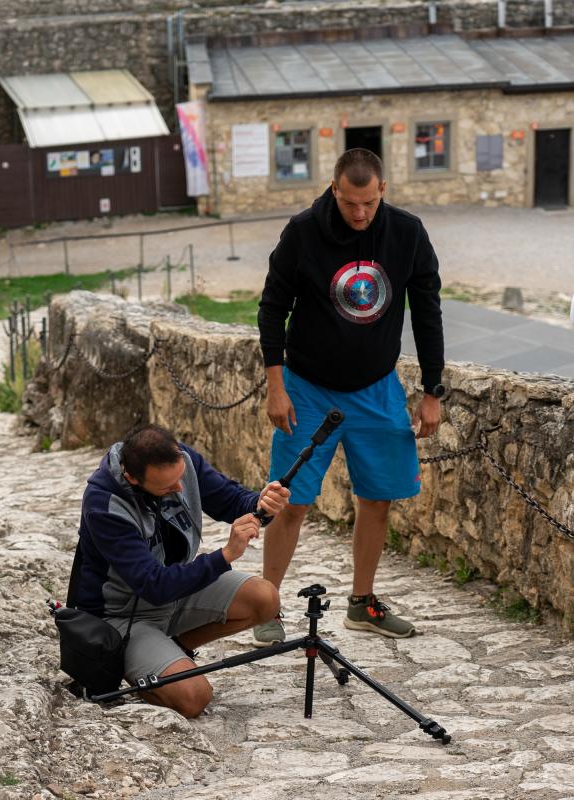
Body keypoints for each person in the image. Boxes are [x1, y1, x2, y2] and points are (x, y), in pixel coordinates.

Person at [253, 148, 445, 645]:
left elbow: (427, 312)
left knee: (377, 498)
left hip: (377, 387)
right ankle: (265, 603)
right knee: (289, 500)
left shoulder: (406, 232)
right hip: (307, 386)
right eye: (349, 203)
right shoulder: (302, 231)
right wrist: (276, 386)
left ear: (382, 189)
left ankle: (362, 604)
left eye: (368, 203)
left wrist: (432, 391)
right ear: (334, 189)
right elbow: (272, 308)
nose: (359, 214)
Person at [73, 423, 290, 718]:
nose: (179, 487)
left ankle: (172, 648)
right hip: (124, 616)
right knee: (194, 699)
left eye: (180, 478)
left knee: (266, 598)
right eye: (167, 487)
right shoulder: (104, 504)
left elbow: (232, 501)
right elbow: (154, 585)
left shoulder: (180, 460)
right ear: (132, 478)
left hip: (176, 593)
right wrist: (226, 554)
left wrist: (262, 503)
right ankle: (138, 667)